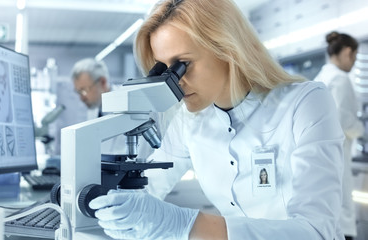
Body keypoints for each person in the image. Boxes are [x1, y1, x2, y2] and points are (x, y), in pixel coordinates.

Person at [89, 0, 345, 239]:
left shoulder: (305, 103)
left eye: (183, 65)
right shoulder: (189, 120)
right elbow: (146, 189)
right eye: (164, 69)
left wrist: (183, 224)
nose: (174, 82)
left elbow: (316, 231)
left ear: (226, 49)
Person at [314, 31, 363, 240]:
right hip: (337, 156)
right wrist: (362, 129)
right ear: (347, 52)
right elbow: (345, 121)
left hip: (320, 159)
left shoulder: (321, 77)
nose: (353, 62)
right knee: (342, 212)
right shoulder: (341, 79)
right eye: (353, 56)